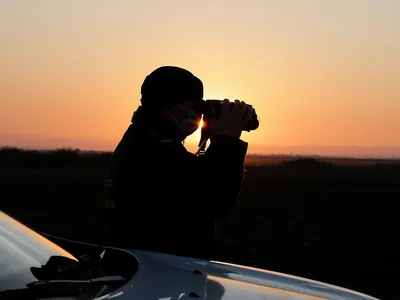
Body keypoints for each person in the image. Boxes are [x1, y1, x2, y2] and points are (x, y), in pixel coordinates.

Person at [104, 66, 253, 260]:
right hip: (162, 278)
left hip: (149, 270)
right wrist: (228, 141)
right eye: (195, 108)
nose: (198, 116)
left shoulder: (143, 139)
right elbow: (215, 200)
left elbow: (190, 181)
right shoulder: (153, 149)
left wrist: (216, 140)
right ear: (168, 106)